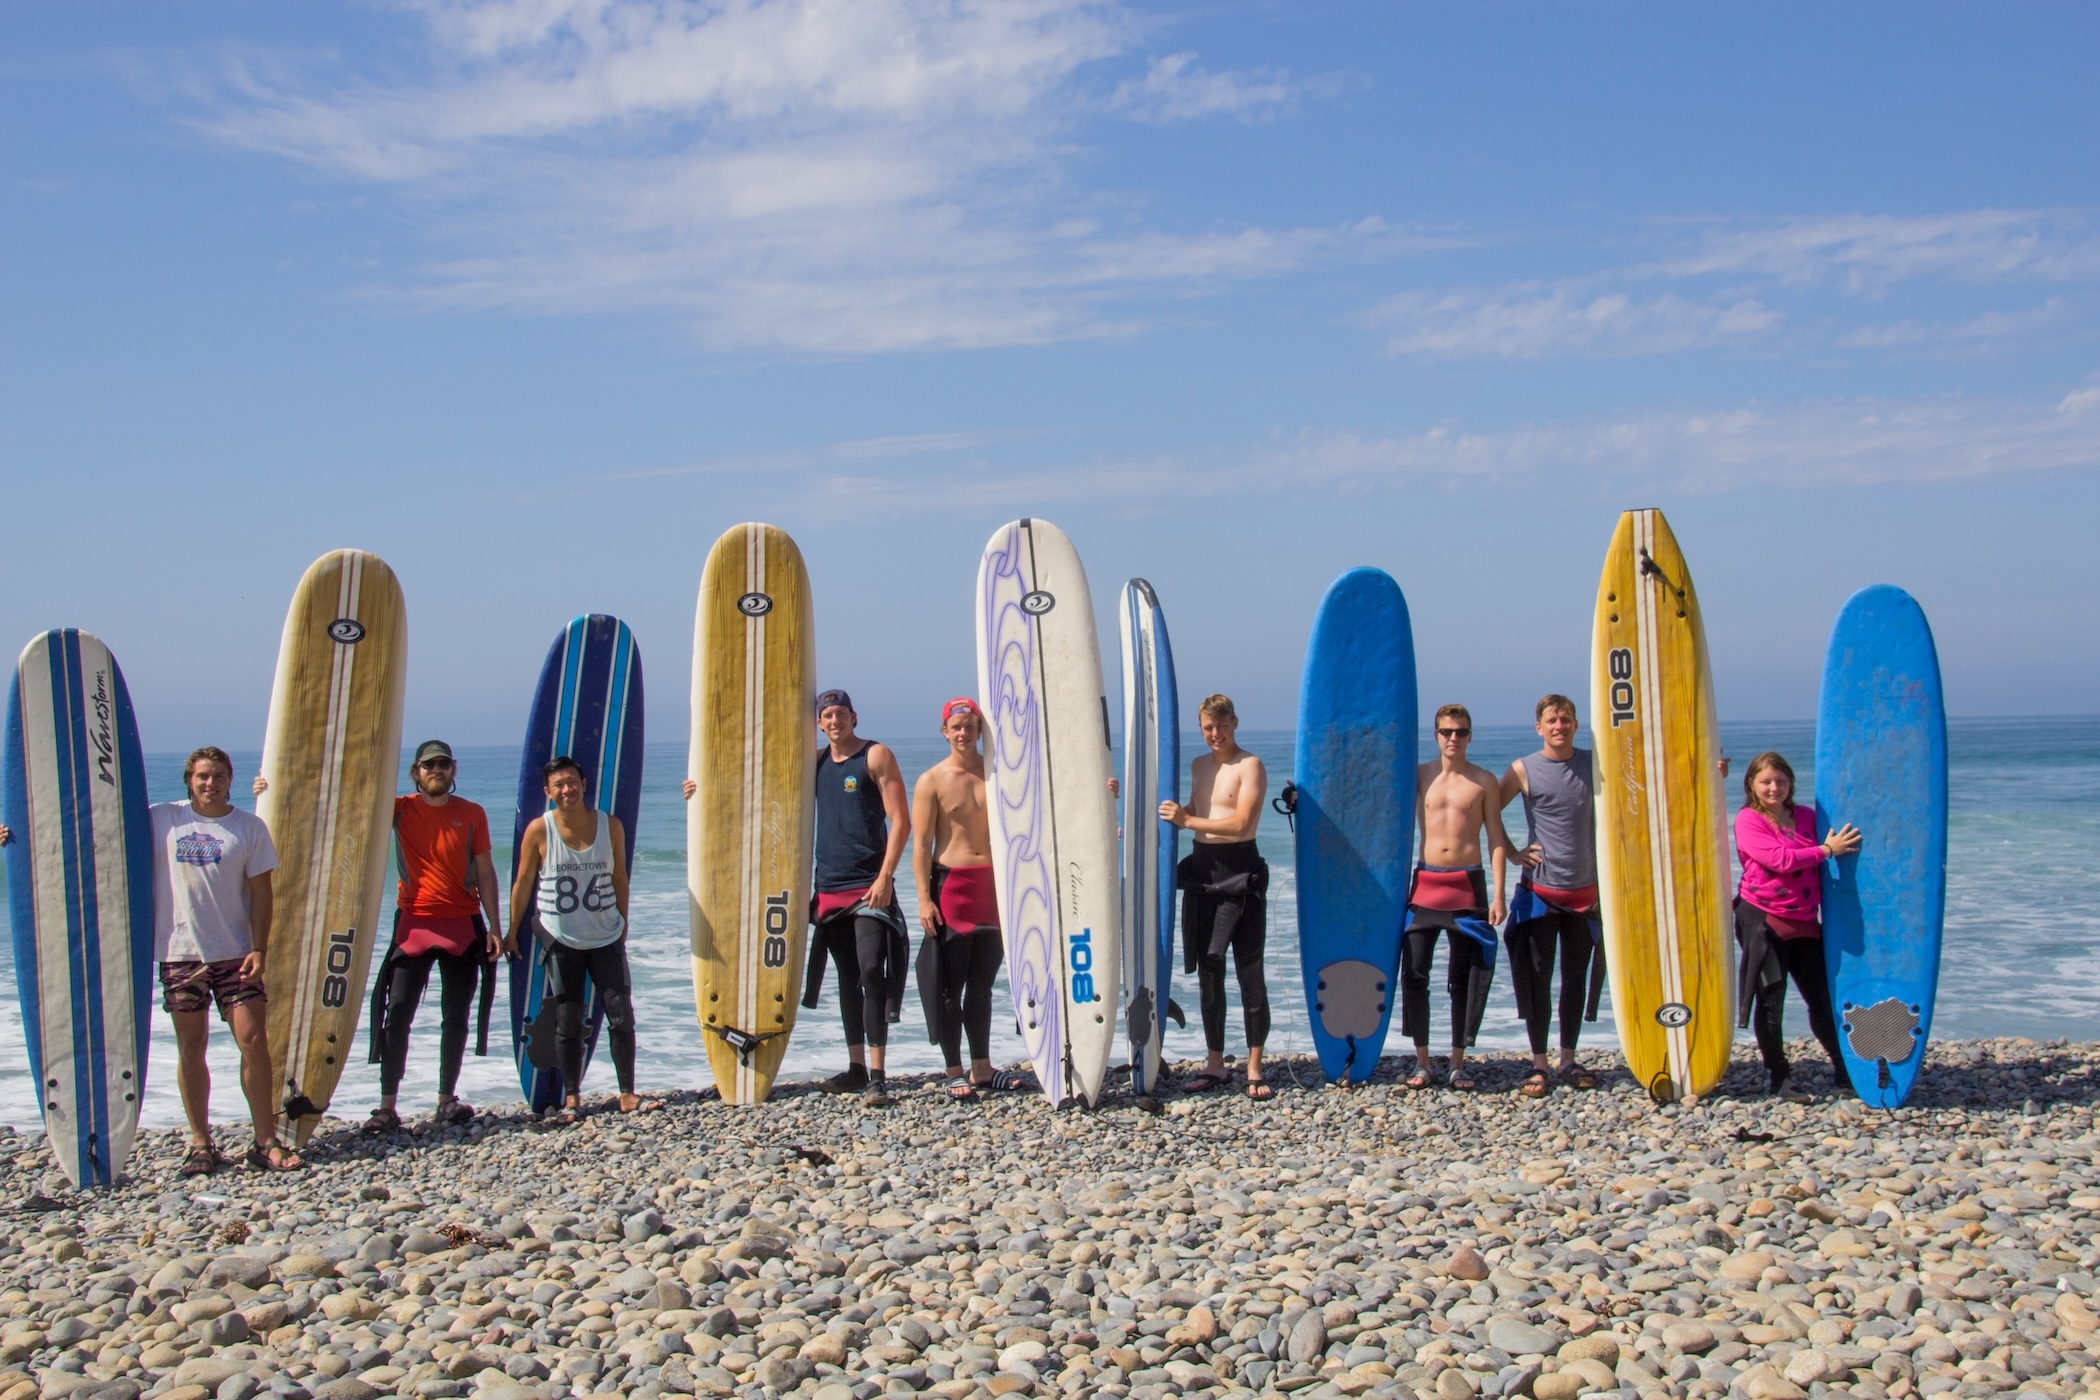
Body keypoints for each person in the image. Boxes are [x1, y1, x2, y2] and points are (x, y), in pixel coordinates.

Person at [1, 749, 302, 1173]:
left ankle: (264, 1139)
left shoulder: (248, 827)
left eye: (217, 775)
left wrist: (259, 947)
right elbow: (91, 829)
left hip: (235, 952)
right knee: (191, 1045)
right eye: (201, 776)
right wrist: (18, 834)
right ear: (189, 780)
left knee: (253, 1041)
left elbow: (261, 892)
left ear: (230, 779)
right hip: (179, 953)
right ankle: (201, 1143)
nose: (209, 783)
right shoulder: (162, 818)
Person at [361, 741, 502, 1132]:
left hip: (462, 922)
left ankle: (446, 1099)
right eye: (428, 765)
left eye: (443, 764)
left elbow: (486, 871)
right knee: (398, 1013)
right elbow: (351, 804)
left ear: (453, 769)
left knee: (455, 1017)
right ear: (416, 772)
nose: (436, 770)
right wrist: (268, 789)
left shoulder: (472, 813)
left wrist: (495, 927)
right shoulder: (399, 809)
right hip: (414, 923)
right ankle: (387, 1106)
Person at [507, 756, 649, 1122]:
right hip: (561, 936)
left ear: (584, 784)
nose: (567, 790)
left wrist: (624, 921)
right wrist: (510, 932)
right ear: (548, 792)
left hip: (606, 935)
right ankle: (572, 1097)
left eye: (572, 782)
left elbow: (620, 877)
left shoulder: (609, 825)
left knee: (621, 1016)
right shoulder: (540, 830)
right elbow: (523, 883)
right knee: (568, 1018)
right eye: (559, 785)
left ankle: (628, 1094)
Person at [1161, 694, 1272, 1100]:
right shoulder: (1197, 765)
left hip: (1241, 873)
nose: (1214, 734)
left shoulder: (1251, 766)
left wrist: (1188, 819)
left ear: (1235, 723)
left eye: (1221, 726)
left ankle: (1255, 1066)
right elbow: (1195, 809)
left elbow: (1242, 821)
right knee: (1209, 969)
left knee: (1249, 974)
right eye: (1208, 727)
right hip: (1203, 873)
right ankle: (1215, 1064)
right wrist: (1168, 813)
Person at [1734, 751, 1862, 1102]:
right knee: (1771, 1000)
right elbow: (1779, 859)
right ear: (1752, 785)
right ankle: (1780, 1077)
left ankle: (1844, 1069)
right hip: (1764, 919)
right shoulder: (1749, 820)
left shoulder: (1806, 816)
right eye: (1766, 782)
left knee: (1821, 999)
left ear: (1790, 783)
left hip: (1806, 919)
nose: (1774, 787)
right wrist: (1826, 850)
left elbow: (1846, 835)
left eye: (1780, 781)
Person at [1497, 695, 1606, 1097]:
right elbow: (1488, 809)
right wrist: (1511, 852)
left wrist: (1712, 772)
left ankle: (1568, 1058)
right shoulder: (1523, 769)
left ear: (1576, 724)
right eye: (1551, 720)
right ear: (1538, 727)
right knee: (1538, 979)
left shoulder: (1595, 764)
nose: (1559, 725)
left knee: (1575, 979)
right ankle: (1539, 1063)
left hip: (1586, 895)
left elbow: (1643, 786)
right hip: (1540, 893)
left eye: (1566, 719)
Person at [1403, 704, 1513, 1092]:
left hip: (1468, 886)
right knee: (1414, 974)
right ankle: (1422, 1061)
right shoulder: (1419, 777)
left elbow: (1496, 839)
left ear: (1470, 736)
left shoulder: (1483, 781)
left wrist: (1499, 894)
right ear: (1436, 735)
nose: (1454, 738)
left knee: (1462, 979)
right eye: (1447, 731)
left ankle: (1457, 1062)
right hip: (1425, 884)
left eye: (1461, 732)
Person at [910, 698, 1010, 1099]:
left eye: (970, 726)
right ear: (945, 732)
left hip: (994, 888)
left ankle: (982, 1069)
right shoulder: (931, 780)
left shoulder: (999, 774)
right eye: (957, 727)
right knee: (950, 985)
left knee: (982, 985)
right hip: (952, 887)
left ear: (979, 730)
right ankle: (954, 1069)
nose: (964, 733)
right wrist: (923, 899)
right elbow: (919, 845)